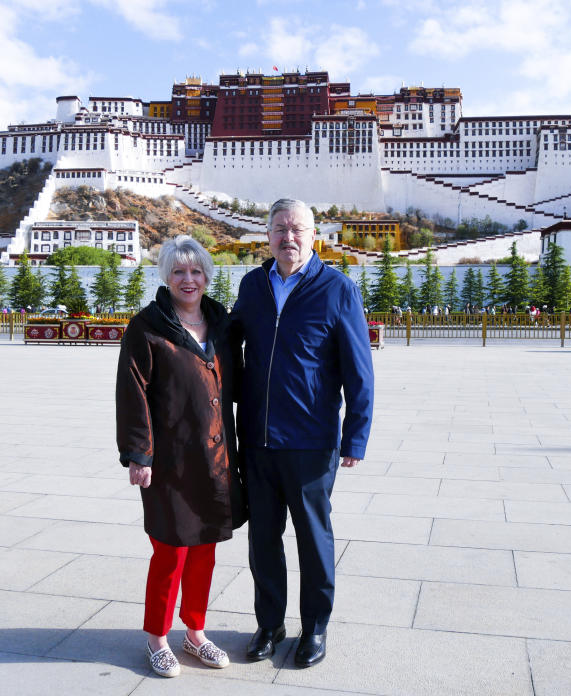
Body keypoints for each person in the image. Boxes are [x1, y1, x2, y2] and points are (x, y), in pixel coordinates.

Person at [231, 198, 374, 668]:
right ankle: (269, 625)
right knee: (263, 541)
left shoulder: (337, 289)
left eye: (297, 229)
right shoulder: (252, 286)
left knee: (314, 540)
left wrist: (355, 436)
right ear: (267, 235)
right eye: (279, 229)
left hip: (311, 443)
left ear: (314, 235)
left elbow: (359, 370)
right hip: (258, 441)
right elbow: (226, 349)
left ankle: (314, 628)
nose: (287, 237)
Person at [116, 235, 246, 678]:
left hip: (214, 460)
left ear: (207, 276)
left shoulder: (223, 326)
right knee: (170, 552)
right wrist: (138, 454)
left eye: (195, 271)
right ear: (165, 277)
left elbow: (242, 384)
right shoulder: (147, 328)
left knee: (205, 551)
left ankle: (195, 633)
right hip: (168, 463)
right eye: (178, 272)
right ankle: (156, 637)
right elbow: (132, 394)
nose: (188, 280)